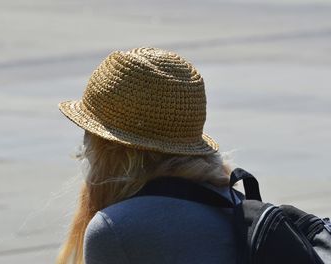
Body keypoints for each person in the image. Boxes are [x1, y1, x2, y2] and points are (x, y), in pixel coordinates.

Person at [56, 47, 237, 264]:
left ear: (109, 148)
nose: (84, 151)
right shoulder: (237, 206)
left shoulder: (117, 229)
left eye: (88, 137)